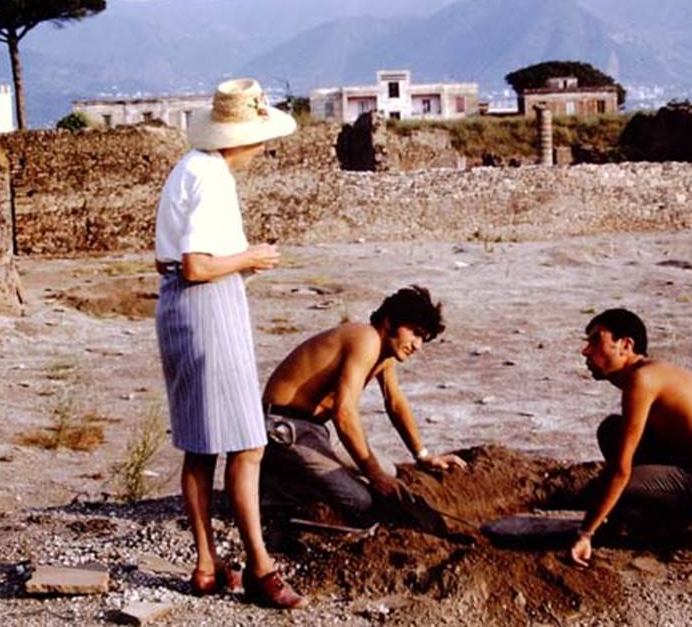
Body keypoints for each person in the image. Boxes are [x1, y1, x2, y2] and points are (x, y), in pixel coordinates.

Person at [154, 77, 306, 609]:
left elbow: (173, 261)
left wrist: (237, 265)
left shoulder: (189, 168)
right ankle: (262, 567)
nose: (263, 147)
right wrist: (251, 257)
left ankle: (205, 564)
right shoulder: (212, 177)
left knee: (201, 445)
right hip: (206, 306)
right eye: (261, 137)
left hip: (179, 304)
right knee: (248, 443)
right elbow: (198, 266)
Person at [261, 285, 466, 525]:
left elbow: (394, 402)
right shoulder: (365, 339)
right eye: (415, 333)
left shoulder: (384, 353)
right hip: (284, 426)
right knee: (360, 501)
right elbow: (344, 413)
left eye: (423, 338)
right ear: (389, 322)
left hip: (315, 428)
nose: (417, 345)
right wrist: (374, 475)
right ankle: (276, 489)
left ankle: (302, 475)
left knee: (389, 471)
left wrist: (423, 455)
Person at [569, 308, 692, 567]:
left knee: (608, 490)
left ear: (626, 345)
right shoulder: (648, 373)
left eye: (596, 340)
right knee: (612, 431)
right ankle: (642, 519)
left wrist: (586, 533)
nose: (586, 351)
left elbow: (621, 470)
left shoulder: (642, 380)